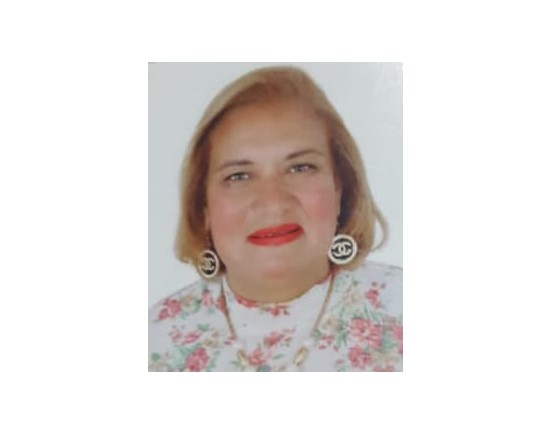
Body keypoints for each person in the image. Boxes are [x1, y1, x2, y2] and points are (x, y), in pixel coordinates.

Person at [148, 65, 402, 372]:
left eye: (300, 168)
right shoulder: (156, 343)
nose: (273, 203)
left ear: (340, 188)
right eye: (239, 176)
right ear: (202, 207)